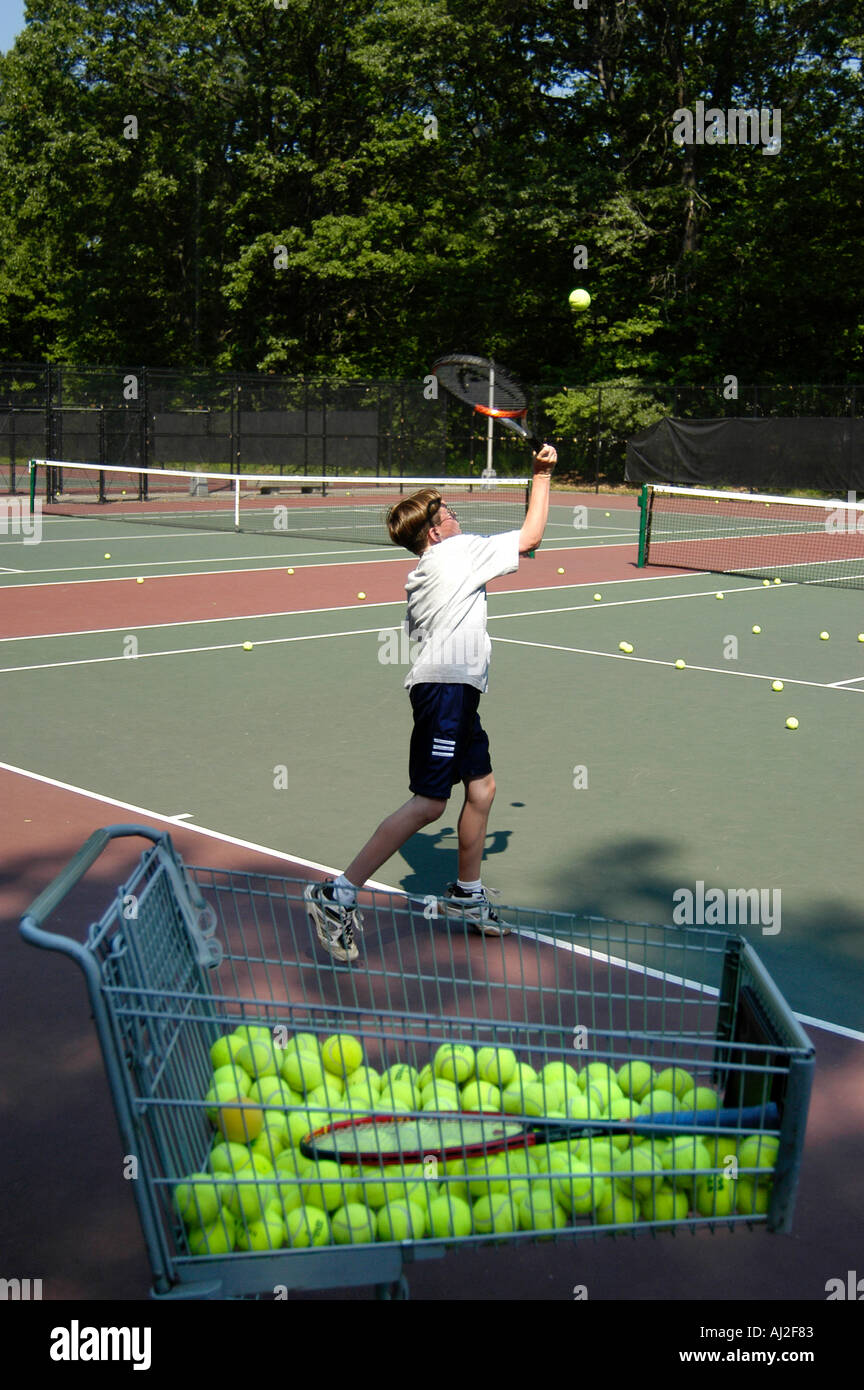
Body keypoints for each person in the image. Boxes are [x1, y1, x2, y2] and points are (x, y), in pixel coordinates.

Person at [305, 445, 557, 960]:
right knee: (430, 803)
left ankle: (466, 893)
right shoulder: (457, 555)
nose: (456, 518)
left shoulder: (423, 573)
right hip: (447, 691)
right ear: (435, 532)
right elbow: (532, 538)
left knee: (482, 788)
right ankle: (337, 895)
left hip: (453, 691)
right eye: (448, 515)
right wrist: (540, 475)